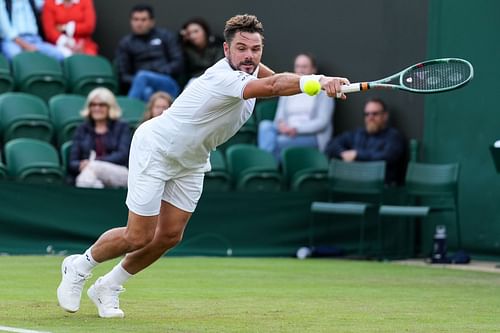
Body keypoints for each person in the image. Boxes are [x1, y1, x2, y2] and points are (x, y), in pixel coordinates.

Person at [57, 14, 349, 318]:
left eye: (255, 49)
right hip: (156, 149)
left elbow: (279, 80)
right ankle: (79, 266)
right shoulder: (221, 77)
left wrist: (323, 86)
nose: (249, 56)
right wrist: (319, 81)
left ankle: (109, 286)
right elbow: (276, 85)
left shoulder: (253, 71)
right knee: (138, 236)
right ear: (226, 50)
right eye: (242, 48)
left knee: (169, 236)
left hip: (193, 159)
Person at [258, 53, 335, 160]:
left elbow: (322, 122)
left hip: (310, 136)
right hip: (287, 131)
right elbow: (279, 117)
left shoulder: (323, 92)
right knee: (265, 126)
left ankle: (266, 167)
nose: (300, 70)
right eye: (297, 66)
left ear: (313, 70)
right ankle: (269, 167)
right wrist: (281, 125)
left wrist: (296, 129)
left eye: (304, 67)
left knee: (277, 142)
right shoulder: (289, 89)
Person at [324, 98, 406, 185]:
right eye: (367, 114)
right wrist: (343, 153)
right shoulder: (358, 133)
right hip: (353, 183)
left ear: (385, 116)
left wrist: (357, 155)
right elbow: (331, 146)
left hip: (380, 187)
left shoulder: (393, 136)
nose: (370, 117)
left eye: (375, 114)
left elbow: (387, 157)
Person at [115, 4, 183, 101]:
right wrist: (138, 80)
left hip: (167, 83)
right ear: (131, 21)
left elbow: (178, 62)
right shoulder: (125, 43)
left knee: (143, 76)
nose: (139, 23)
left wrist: (162, 71)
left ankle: (129, 110)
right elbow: (123, 75)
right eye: (136, 19)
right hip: (140, 84)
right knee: (147, 91)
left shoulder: (166, 36)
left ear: (152, 22)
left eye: (143, 20)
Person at [69, 87, 131, 188]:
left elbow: (122, 155)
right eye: (93, 105)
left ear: (110, 107)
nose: (97, 108)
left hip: (120, 173)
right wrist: (80, 164)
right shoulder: (82, 129)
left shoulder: (122, 127)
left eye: (101, 105)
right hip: (89, 172)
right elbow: (72, 161)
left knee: (92, 167)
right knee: (94, 182)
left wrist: (95, 161)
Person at [179, 17, 224, 86]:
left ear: (205, 31)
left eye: (196, 31)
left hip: (216, 79)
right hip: (195, 80)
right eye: (189, 33)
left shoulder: (217, 44)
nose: (192, 36)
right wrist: (180, 38)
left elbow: (219, 67)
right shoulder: (187, 48)